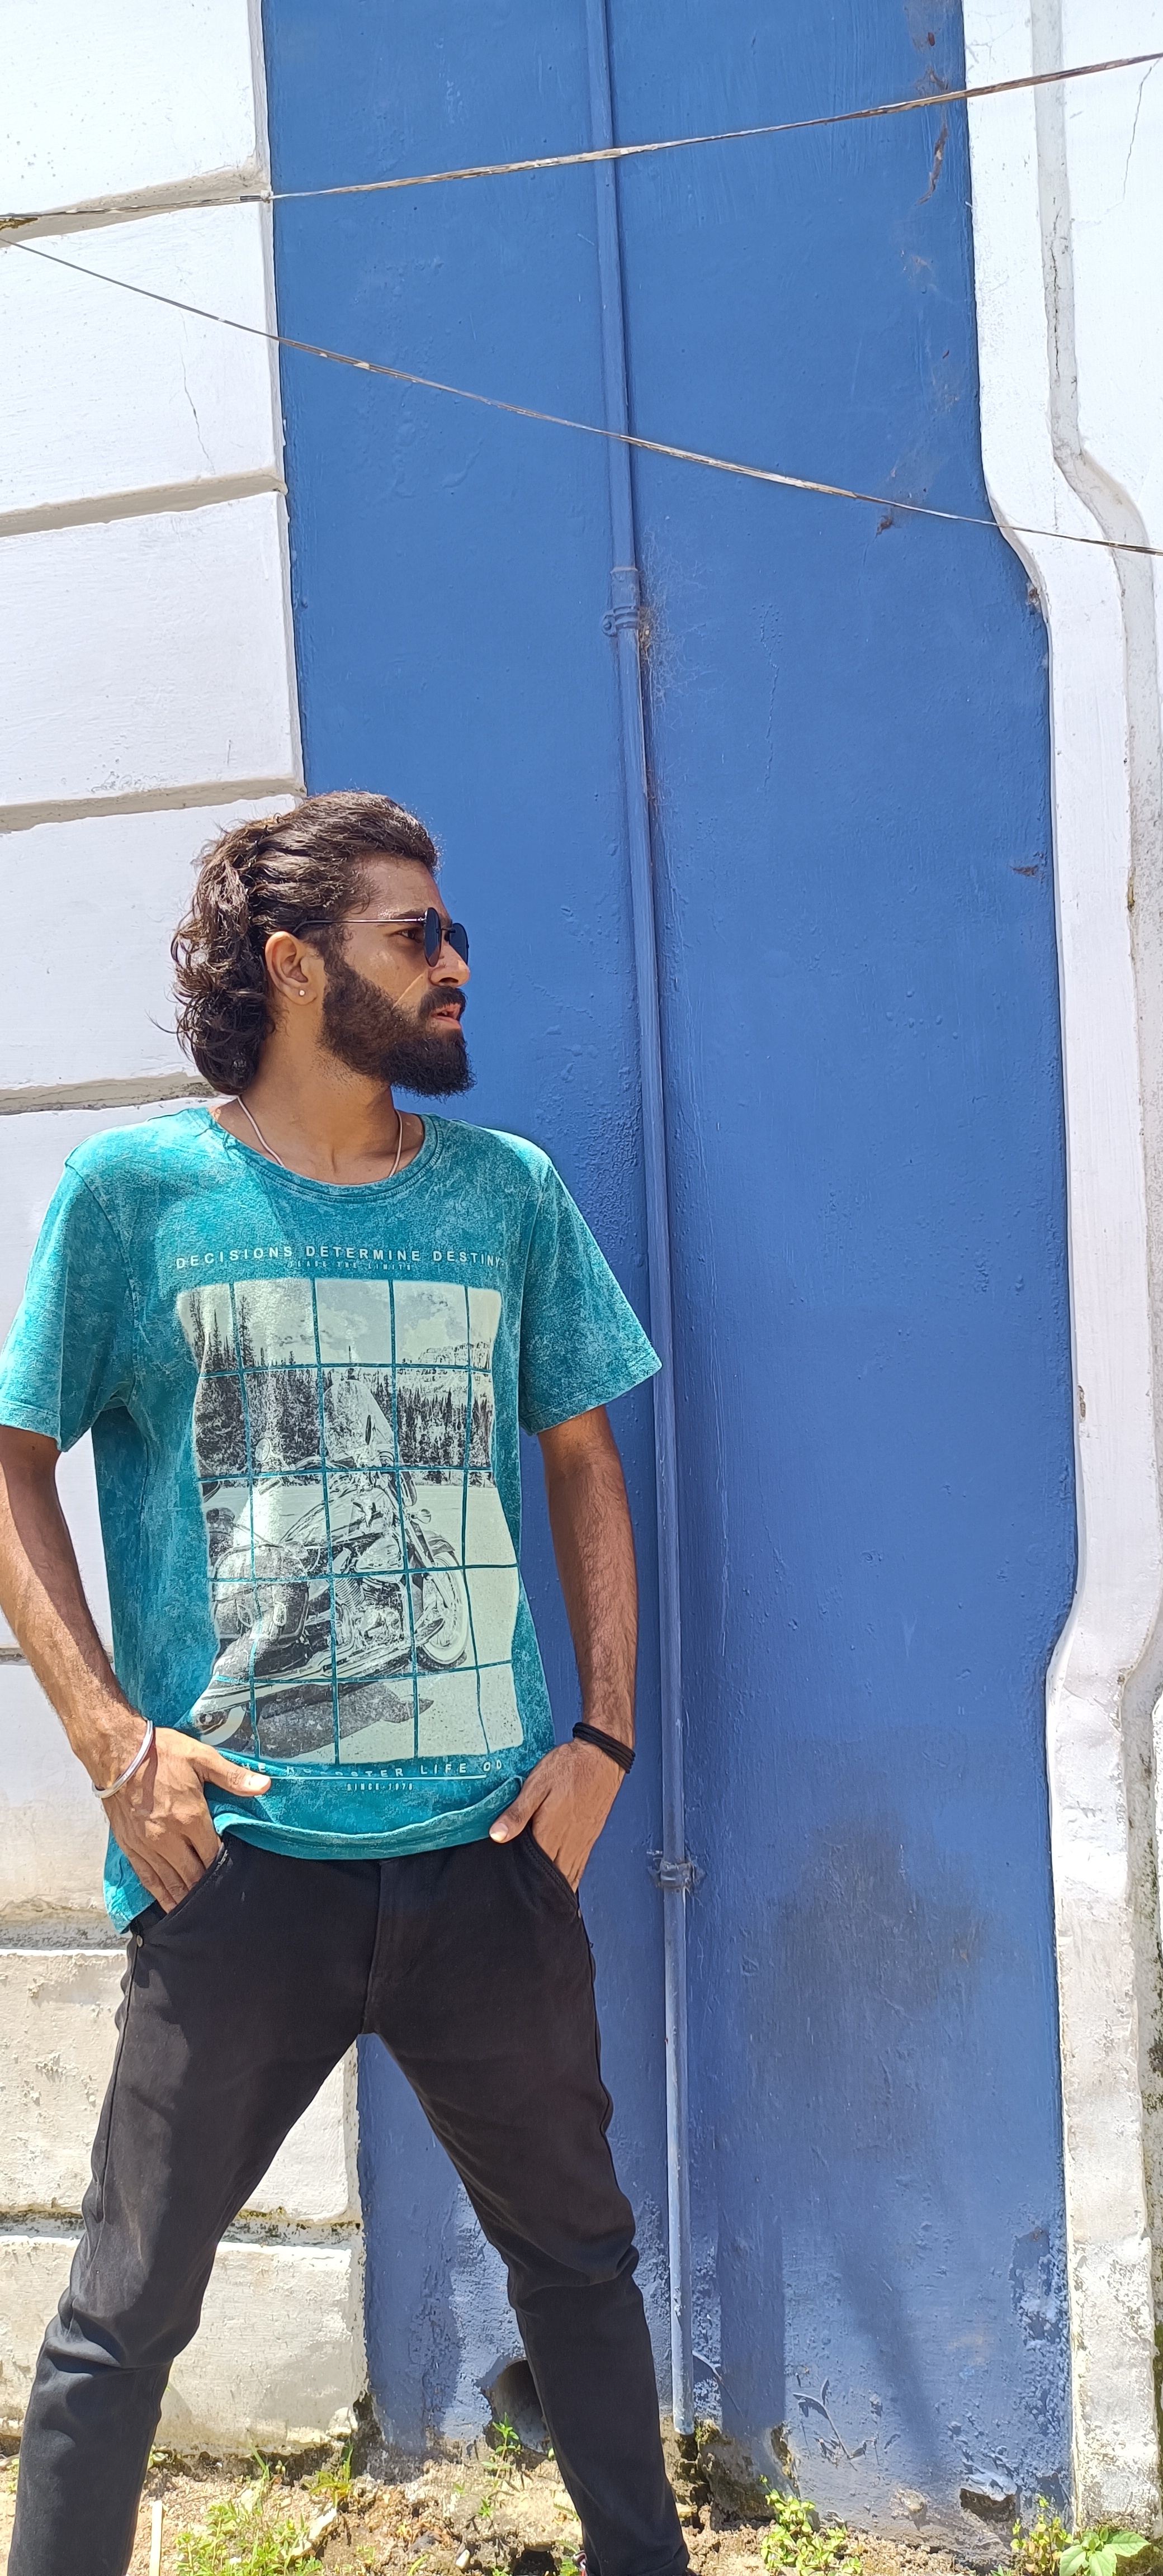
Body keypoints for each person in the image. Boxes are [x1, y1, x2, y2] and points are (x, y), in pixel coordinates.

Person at [0, 791, 687, 2576]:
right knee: (121, 2321)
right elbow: (12, 1461)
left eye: (454, 935)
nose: (455, 965)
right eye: (417, 935)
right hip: (239, 1864)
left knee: (585, 2273)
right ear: (296, 964)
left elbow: (584, 1457)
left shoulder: (505, 1194)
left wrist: (605, 1736)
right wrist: (110, 1745)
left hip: (486, 1858)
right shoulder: (136, 1196)